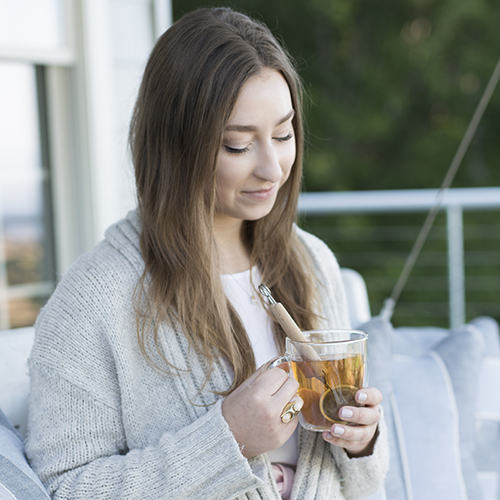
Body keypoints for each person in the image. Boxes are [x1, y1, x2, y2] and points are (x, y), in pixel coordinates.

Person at [26, 7, 389, 499]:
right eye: (238, 146)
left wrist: (362, 441)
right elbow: (65, 488)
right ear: (177, 147)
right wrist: (226, 441)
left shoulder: (311, 262)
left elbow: (365, 485)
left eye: (284, 135)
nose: (273, 168)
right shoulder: (93, 303)